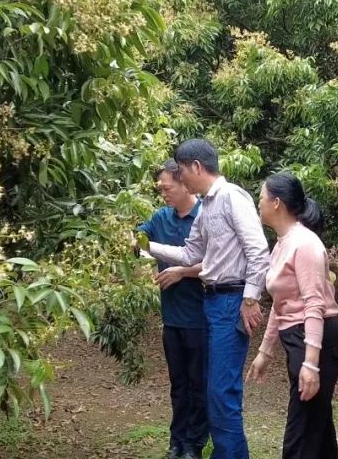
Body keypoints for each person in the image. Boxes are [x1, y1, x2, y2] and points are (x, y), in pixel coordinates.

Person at [147, 139, 270, 459]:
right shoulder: (207, 207)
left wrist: (250, 298)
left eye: (182, 172)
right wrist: (146, 246)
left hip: (231, 301)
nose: (180, 179)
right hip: (213, 303)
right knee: (218, 393)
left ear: (197, 167)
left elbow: (258, 250)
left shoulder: (231, 197)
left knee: (220, 394)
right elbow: (189, 254)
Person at [247, 172, 338, 459]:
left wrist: (311, 364)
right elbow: (282, 304)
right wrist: (265, 351)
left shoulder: (306, 245)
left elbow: (314, 306)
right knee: (318, 428)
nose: (259, 204)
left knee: (300, 436)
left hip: (317, 342)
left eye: (261, 198)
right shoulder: (282, 243)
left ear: (276, 203)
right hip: (298, 340)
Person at [137, 159, 209, 459]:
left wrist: (182, 272)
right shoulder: (160, 218)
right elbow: (138, 241)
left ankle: (195, 443)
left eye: (167, 187)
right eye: (160, 189)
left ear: (184, 183)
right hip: (172, 318)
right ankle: (177, 441)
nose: (163, 193)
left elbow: (220, 262)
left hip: (201, 316)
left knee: (198, 384)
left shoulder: (205, 215)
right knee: (178, 384)